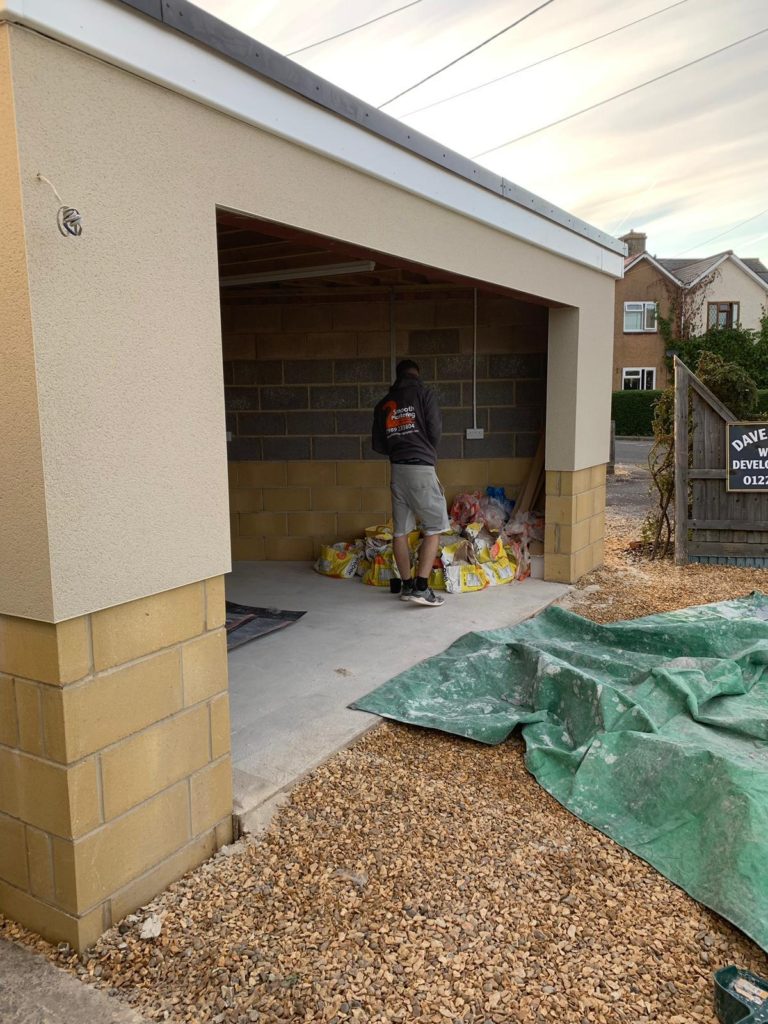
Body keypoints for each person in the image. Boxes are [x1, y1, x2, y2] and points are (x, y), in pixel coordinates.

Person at [371, 359, 449, 607]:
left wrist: (400, 445)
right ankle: (422, 588)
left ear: (398, 375)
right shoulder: (424, 394)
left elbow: (378, 444)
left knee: (400, 530)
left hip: (397, 470)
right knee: (434, 527)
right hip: (421, 468)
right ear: (417, 374)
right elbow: (435, 430)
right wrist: (423, 447)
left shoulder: (383, 404)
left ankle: (406, 585)